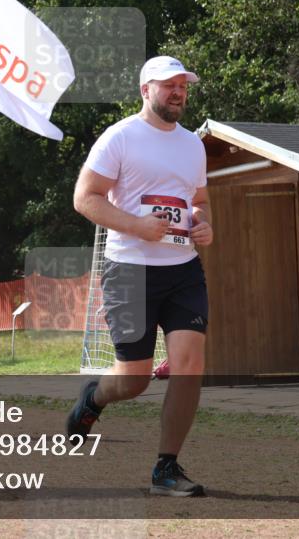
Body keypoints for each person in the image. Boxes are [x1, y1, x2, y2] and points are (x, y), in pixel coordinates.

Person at [68, 55, 212, 497]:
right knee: (134, 379)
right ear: (145, 90)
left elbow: (199, 199)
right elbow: (84, 198)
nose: (177, 92)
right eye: (168, 85)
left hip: (183, 269)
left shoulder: (193, 144)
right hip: (129, 269)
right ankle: (93, 399)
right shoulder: (120, 137)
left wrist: (204, 223)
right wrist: (136, 225)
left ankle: (166, 468)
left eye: (182, 85)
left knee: (189, 366)